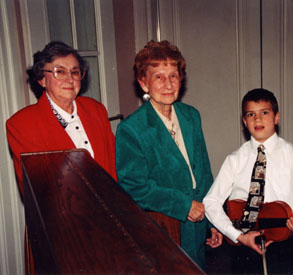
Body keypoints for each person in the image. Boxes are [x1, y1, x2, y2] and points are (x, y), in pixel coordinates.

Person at [6, 41, 117, 274]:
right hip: (61, 231)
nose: (70, 78)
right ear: (42, 79)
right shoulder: (22, 124)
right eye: (59, 71)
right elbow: (38, 190)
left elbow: (112, 169)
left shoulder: (96, 110)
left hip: (108, 224)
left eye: (75, 71)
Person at [115, 40, 222, 269]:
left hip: (197, 221)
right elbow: (134, 186)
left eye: (173, 75)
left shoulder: (191, 116)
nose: (168, 84)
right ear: (144, 83)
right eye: (158, 77)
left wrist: (214, 219)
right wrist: (184, 205)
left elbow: (203, 171)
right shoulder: (131, 129)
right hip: (164, 223)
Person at [203, 88, 293, 274]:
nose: (257, 119)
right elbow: (210, 202)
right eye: (251, 114)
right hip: (244, 241)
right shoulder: (235, 159)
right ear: (244, 121)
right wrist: (237, 236)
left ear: (276, 117)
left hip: (282, 238)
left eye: (264, 112)